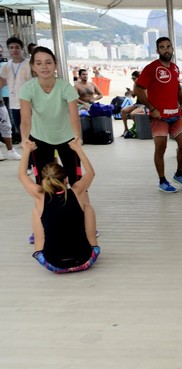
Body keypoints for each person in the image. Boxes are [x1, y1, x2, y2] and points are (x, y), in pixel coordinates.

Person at [20, 47, 89, 245]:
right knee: (42, 182)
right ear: (33, 67)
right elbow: (26, 120)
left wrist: (77, 138)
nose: (44, 66)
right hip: (40, 138)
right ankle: (42, 224)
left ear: (56, 65)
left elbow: (74, 117)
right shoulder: (28, 88)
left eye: (48, 62)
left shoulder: (65, 87)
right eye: (39, 63)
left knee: (76, 181)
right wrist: (25, 140)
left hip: (67, 138)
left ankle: (82, 220)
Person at [18, 139, 100, 273]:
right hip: (85, 260)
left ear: (44, 181)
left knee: (36, 211)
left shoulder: (39, 196)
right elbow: (90, 172)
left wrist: (27, 150)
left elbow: (22, 175)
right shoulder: (77, 190)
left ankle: (39, 243)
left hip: (53, 264)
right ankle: (92, 242)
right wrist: (77, 148)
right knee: (87, 206)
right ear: (66, 179)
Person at [134, 37, 182, 193]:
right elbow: (137, 88)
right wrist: (151, 108)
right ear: (157, 50)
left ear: (172, 48)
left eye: (168, 47)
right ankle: (162, 180)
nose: (166, 50)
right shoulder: (151, 67)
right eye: (162, 47)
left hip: (175, 114)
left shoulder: (175, 68)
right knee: (161, 148)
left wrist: (181, 101)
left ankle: (179, 174)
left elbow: (176, 86)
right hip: (159, 117)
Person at [0, 36, 31, 154]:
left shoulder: (29, 64)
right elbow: (1, 81)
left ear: (22, 49)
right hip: (14, 104)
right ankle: (28, 161)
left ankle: (33, 161)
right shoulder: (6, 66)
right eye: (11, 47)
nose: (14, 50)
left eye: (17, 47)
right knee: (22, 133)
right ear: (8, 49)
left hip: (29, 103)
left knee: (32, 133)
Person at [121, 70, 146, 137]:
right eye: (132, 79)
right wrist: (132, 93)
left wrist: (136, 92)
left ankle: (138, 130)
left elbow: (146, 97)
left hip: (144, 104)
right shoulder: (135, 84)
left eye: (134, 78)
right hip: (137, 104)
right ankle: (126, 129)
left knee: (132, 114)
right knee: (123, 111)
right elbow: (134, 96)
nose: (133, 80)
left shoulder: (144, 84)